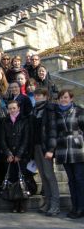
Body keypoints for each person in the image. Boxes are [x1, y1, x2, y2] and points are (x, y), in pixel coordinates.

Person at [52, 89, 84, 219]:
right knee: (71, 180)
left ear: (71, 98)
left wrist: (80, 140)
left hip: (77, 149)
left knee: (79, 179)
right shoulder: (57, 113)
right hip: (63, 149)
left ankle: (81, 207)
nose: (63, 100)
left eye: (65, 97)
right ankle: (75, 206)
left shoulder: (78, 111)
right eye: (61, 97)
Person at [30, 88, 60, 216]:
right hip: (36, 147)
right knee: (43, 176)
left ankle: (55, 204)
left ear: (46, 96)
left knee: (49, 175)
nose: (37, 97)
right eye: (35, 95)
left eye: (40, 95)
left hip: (46, 148)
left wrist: (51, 149)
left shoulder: (50, 109)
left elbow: (53, 130)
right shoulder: (34, 110)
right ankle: (47, 202)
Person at [0, 100, 30, 213]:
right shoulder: (5, 121)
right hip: (9, 156)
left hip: (21, 156)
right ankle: (14, 204)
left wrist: (19, 154)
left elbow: (26, 139)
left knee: (21, 179)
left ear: (18, 108)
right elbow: (2, 139)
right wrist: (8, 153)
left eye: (14, 108)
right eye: (10, 108)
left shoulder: (24, 121)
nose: (12, 110)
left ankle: (22, 204)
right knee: (12, 179)